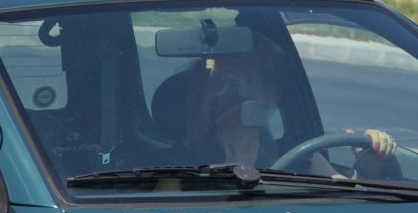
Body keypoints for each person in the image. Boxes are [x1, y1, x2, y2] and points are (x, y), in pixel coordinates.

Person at [159, 45, 399, 178]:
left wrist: (368, 166)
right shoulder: (181, 163)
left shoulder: (299, 154)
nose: (238, 97)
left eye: (256, 84)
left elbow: (346, 198)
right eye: (229, 84)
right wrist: (236, 166)